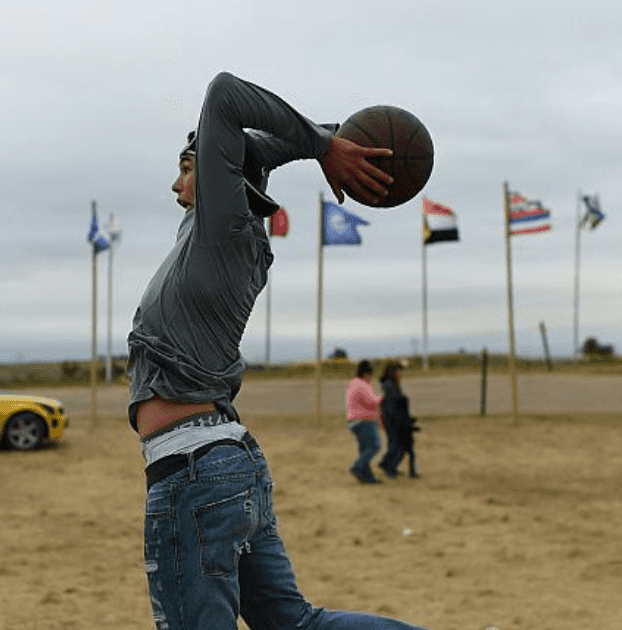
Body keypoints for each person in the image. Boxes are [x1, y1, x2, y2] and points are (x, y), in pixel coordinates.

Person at [128, 71, 425, 629]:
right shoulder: (218, 233)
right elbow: (266, 144)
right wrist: (325, 141)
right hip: (222, 462)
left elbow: (222, 94)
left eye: (186, 167)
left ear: (221, 175)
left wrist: (324, 146)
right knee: (296, 626)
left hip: (193, 471)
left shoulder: (223, 228)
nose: (174, 184)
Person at [377, 361, 418, 479]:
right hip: (394, 420)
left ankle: (388, 465)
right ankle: (388, 466)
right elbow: (394, 404)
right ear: (393, 372)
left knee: (395, 444)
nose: (401, 373)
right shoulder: (390, 385)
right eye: (399, 371)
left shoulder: (391, 384)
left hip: (393, 418)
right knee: (397, 445)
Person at [345, 359, 383, 484]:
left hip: (354, 421)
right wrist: (383, 399)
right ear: (367, 373)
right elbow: (371, 401)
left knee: (364, 449)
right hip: (364, 421)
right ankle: (357, 467)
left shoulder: (353, 384)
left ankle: (367, 477)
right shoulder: (362, 385)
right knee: (374, 445)